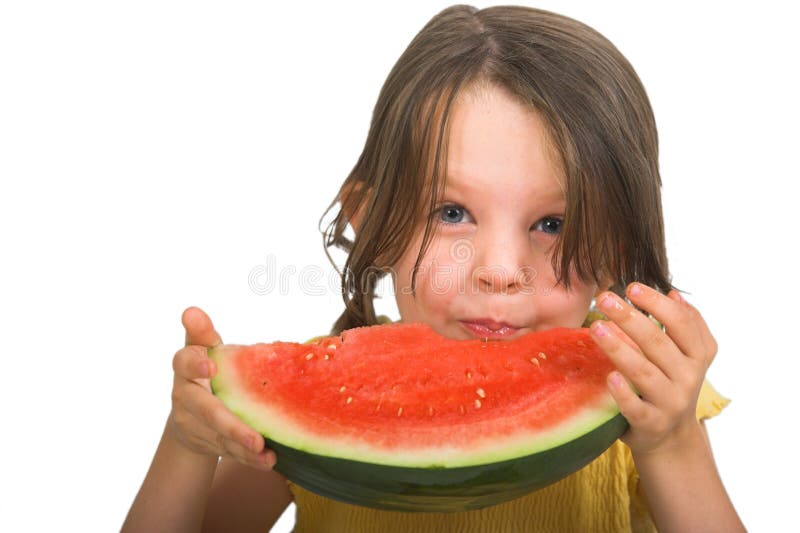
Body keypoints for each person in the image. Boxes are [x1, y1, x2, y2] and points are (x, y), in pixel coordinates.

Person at [123, 5, 745, 532]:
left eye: (552, 224)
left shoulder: (639, 398)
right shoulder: (320, 400)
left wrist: (672, 443)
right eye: (452, 212)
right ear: (371, 219)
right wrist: (186, 445)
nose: (500, 271)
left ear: (614, 245)